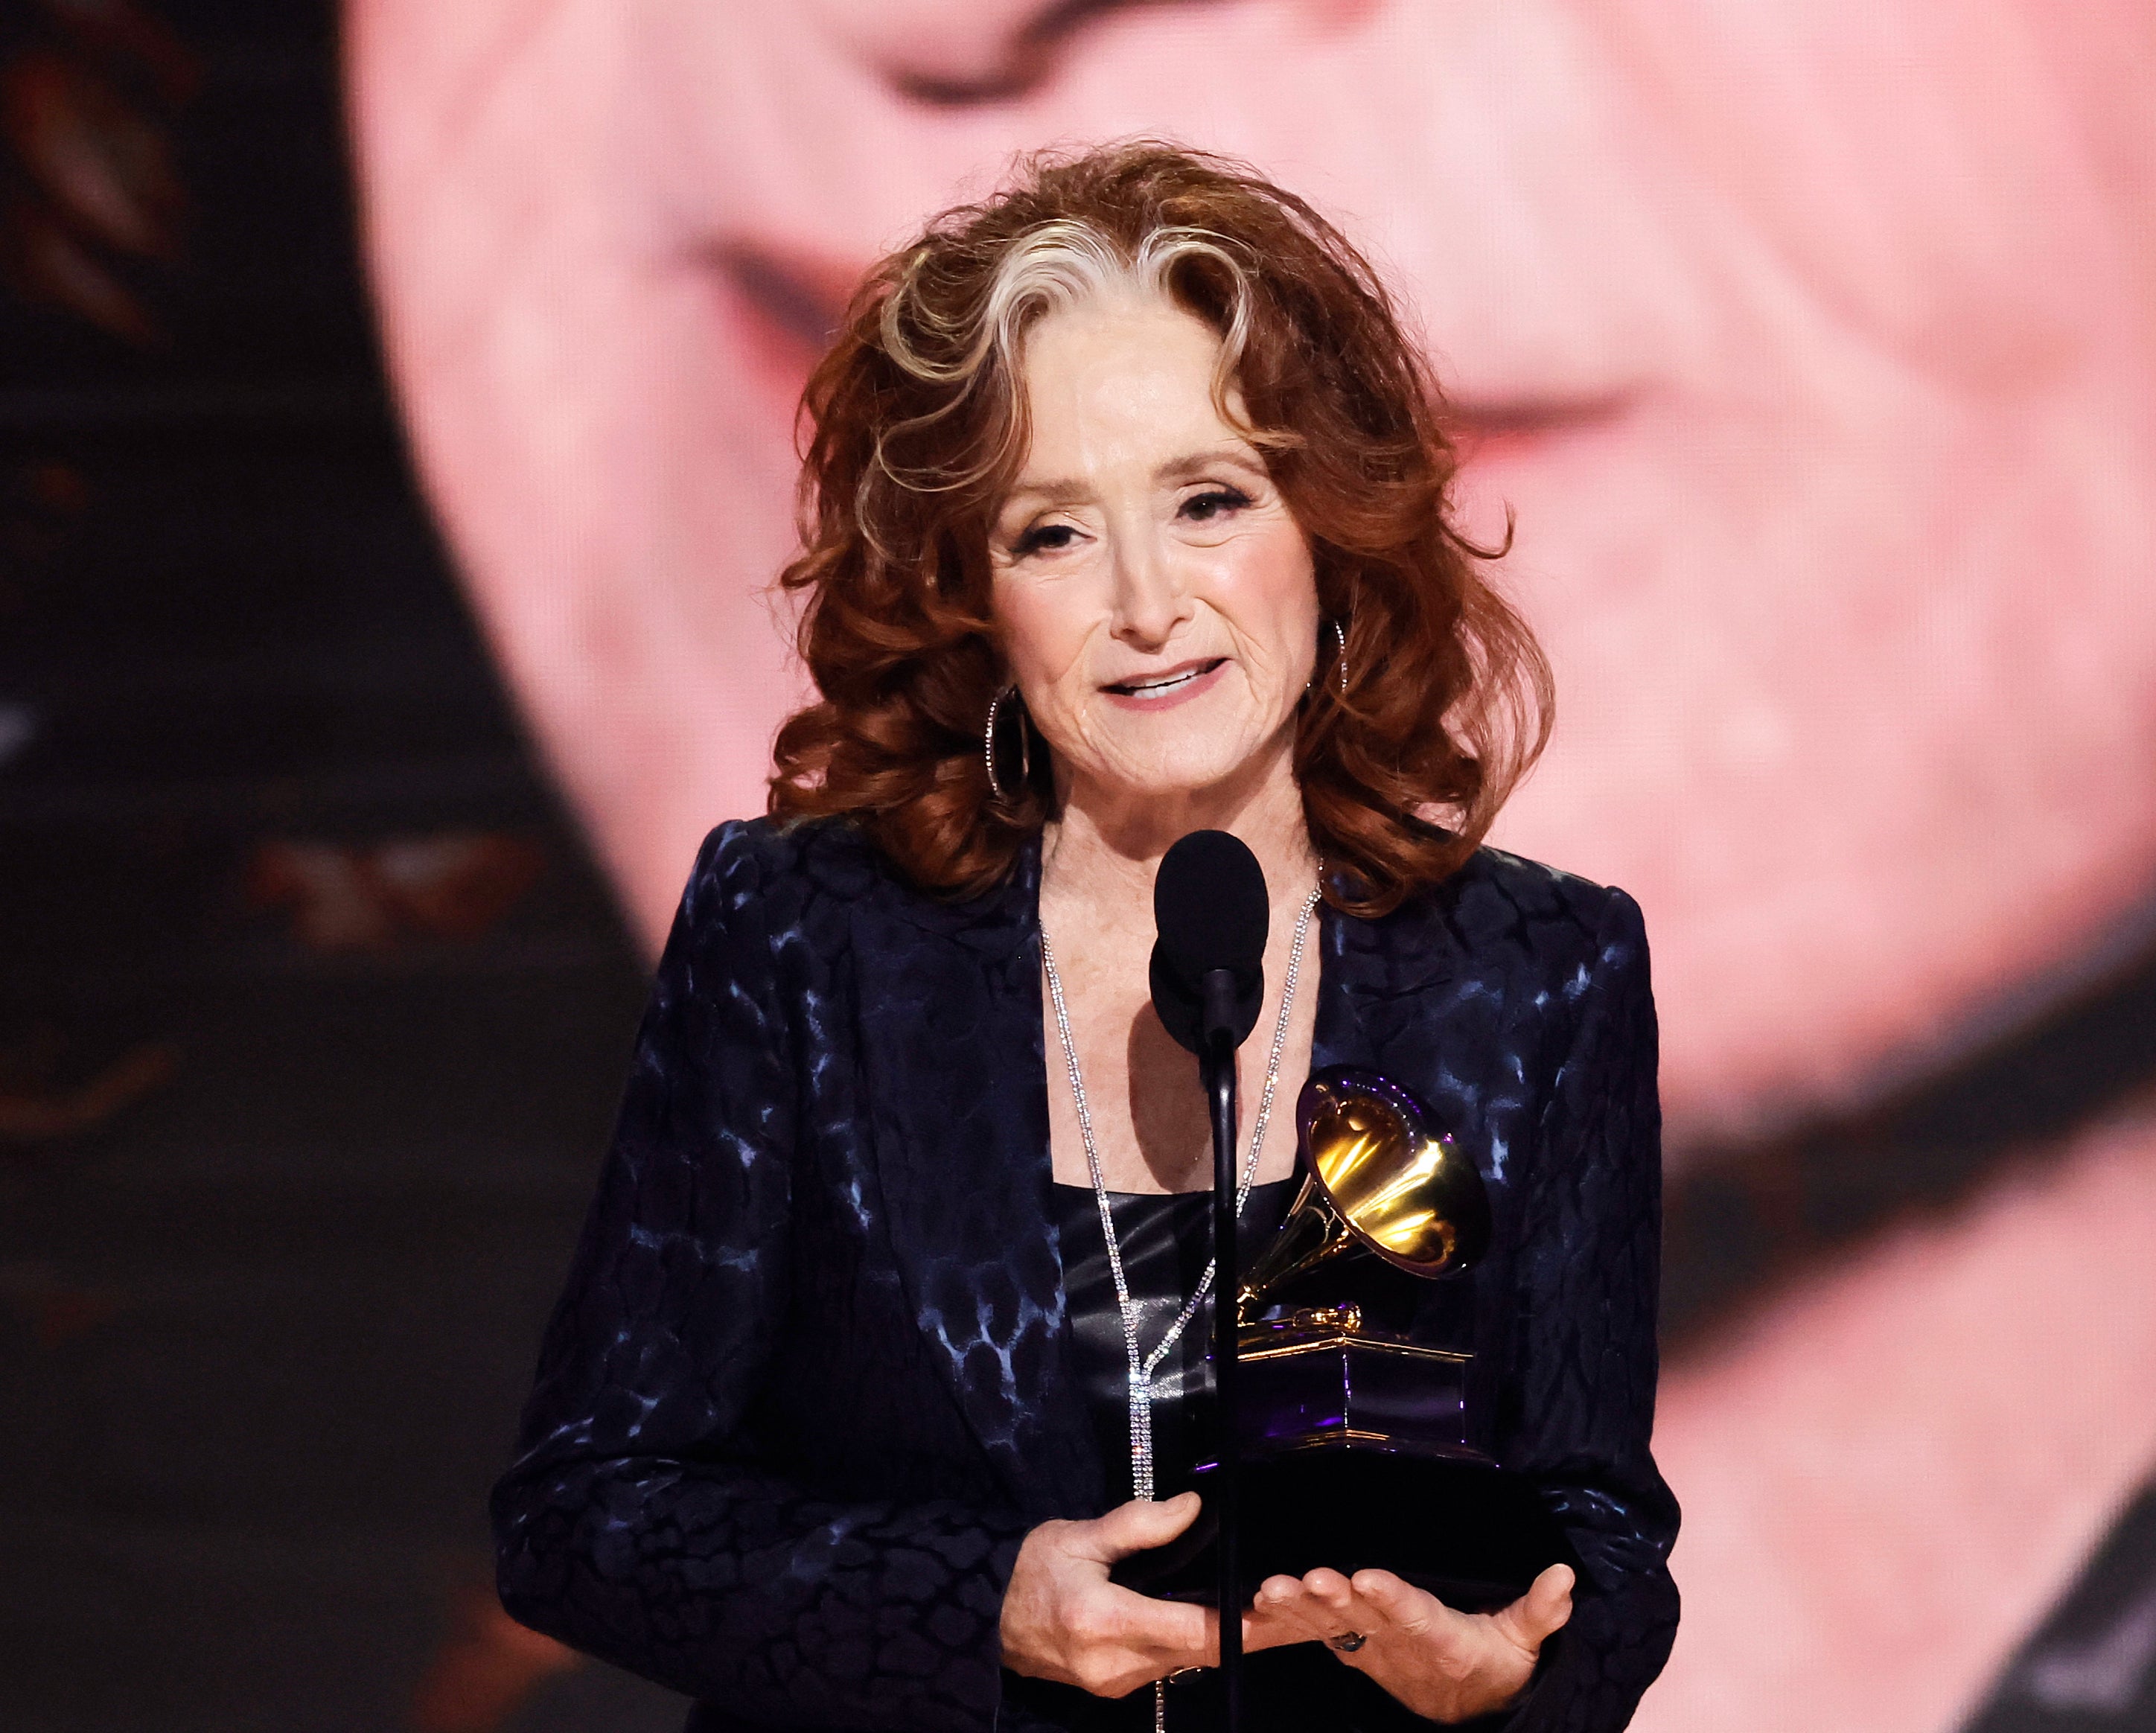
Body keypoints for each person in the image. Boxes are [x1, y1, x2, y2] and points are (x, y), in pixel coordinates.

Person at [490, 144, 1679, 1732]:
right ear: (973, 593)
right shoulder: (803, 943)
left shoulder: (1536, 975)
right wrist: (978, 1605)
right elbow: (588, 1511)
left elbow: (1596, 1525)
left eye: (1206, 503)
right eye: (1052, 532)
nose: (1143, 602)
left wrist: (1512, 1667)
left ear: (1323, 534)